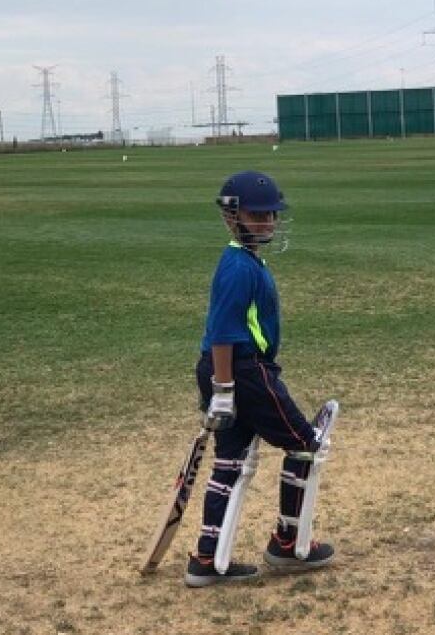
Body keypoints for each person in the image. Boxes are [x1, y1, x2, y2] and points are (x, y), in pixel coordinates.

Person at [184, 170, 335, 587]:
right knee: (306, 446)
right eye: (258, 215)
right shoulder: (238, 268)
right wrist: (224, 390)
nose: (268, 223)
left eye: (271, 215)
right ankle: (288, 545)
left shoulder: (244, 260)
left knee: (231, 462)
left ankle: (207, 559)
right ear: (233, 217)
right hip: (243, 371)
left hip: (234, 372)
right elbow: (222, 333)